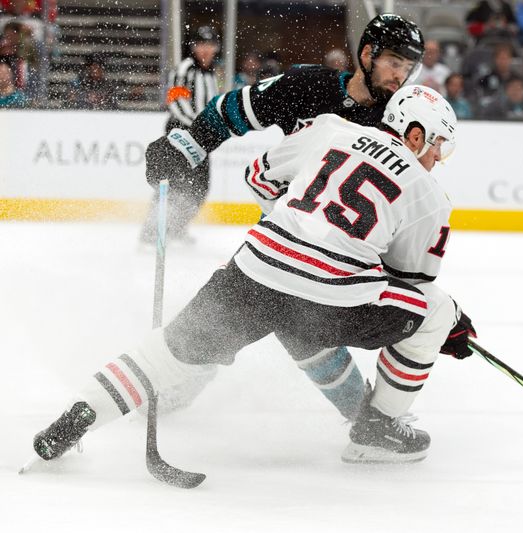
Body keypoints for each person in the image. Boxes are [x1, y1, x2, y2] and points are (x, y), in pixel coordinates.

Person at [32, 85, 477, 466]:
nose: (438, 158)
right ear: (414, 134)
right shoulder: (429, 194)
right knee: (439, 310)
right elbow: (410, 282)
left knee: (167, 352)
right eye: (438, 145)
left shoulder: (330, 129)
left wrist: (306, 230)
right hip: (327, 302)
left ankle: (76, 416)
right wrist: (449, 328)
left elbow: (260, 177)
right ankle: (377, 432)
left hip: (254, 270)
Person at [141, 14, 426, 423]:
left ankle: (367, 423)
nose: (401, 75)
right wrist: (186, 145)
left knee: (308, 329)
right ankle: (169, 384)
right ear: (367, 53)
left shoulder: (398, 121)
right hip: (284, 233)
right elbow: (233, 110)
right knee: (227, 315)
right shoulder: (308, 86)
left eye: (408, 66)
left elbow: (406, 200)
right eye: (394, 62)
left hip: (345, 250)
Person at [139, 25, 221, 245]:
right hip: (181, 134)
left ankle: (175, 229)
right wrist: (199, 126)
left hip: (202, 138)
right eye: (201, 44)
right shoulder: (185, 69)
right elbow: (176, 102)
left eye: (210, 45)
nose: (205, 50)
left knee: (199, 187)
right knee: (170, 184)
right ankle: (151, 234)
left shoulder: (212, 73)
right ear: (193, 47)